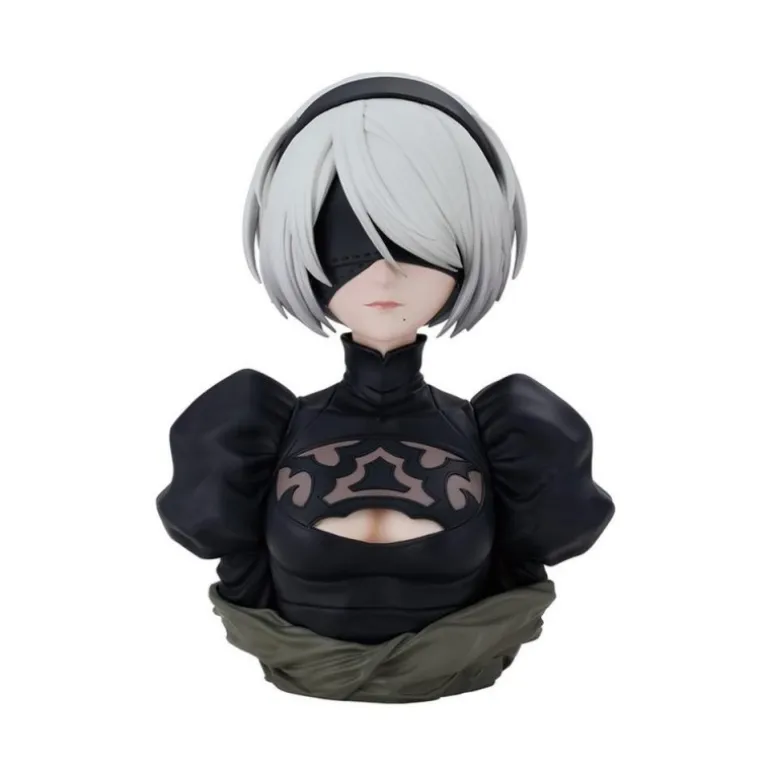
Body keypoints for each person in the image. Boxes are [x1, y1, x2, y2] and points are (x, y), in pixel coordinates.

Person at [156, 73, 615, 703]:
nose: (384, 272)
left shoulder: (510, 434)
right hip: (293, 693)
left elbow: (525, 562)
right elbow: (235, 562)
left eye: (419, 243)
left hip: (474, 691)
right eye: (346, 242)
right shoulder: (252, 429)